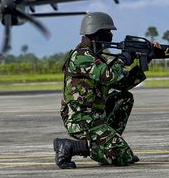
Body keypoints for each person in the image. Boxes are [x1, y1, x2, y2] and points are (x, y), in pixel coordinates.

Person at [54, 12, 148, 168]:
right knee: (122, 157)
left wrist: (146, 59)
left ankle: (111, 144)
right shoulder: (81, 56)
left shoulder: (95, 57)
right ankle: (70, 146)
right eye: (108, 32)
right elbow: (108, 76)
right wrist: (123, 59)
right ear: (96, 33)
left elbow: (121, 84)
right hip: (80, 119)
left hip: (95, 116)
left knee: (124, 97)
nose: (111, 35)